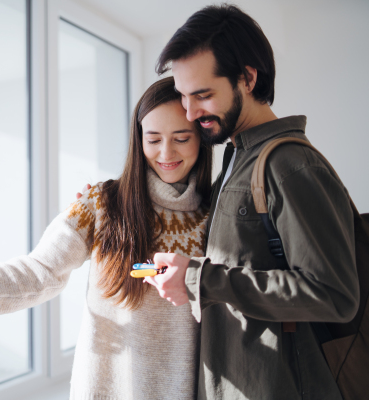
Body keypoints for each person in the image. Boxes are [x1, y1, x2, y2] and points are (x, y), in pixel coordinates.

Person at [0, 76, 213, 399]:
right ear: (139, 139)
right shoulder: (102, 203)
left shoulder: (216, 217)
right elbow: (35, 276)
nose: (166, 152)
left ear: (201, 139)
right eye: (153, 139)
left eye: (181, 138)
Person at [142, 5, 359, 400]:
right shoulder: (238, 157)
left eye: (203, 95)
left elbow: (334, 295)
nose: (190, 113)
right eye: (183, 96)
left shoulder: (289, 165)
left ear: (247, 77)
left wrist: (199, 278)